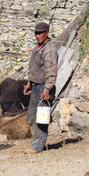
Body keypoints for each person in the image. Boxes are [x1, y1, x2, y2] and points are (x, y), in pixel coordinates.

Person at [23, 22, 58, 153]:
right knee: (32, 116)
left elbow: (51, 70)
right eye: (36, 33)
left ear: (47, 33)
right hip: (36, 86)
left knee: (41, 118)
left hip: (44, 87)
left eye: (40, 33)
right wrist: (29, 82)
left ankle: (38, 146)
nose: (37, 35)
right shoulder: (38, 47)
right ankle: (36, 143)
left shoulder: (49, 49)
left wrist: (47, 88)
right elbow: (35, 68)